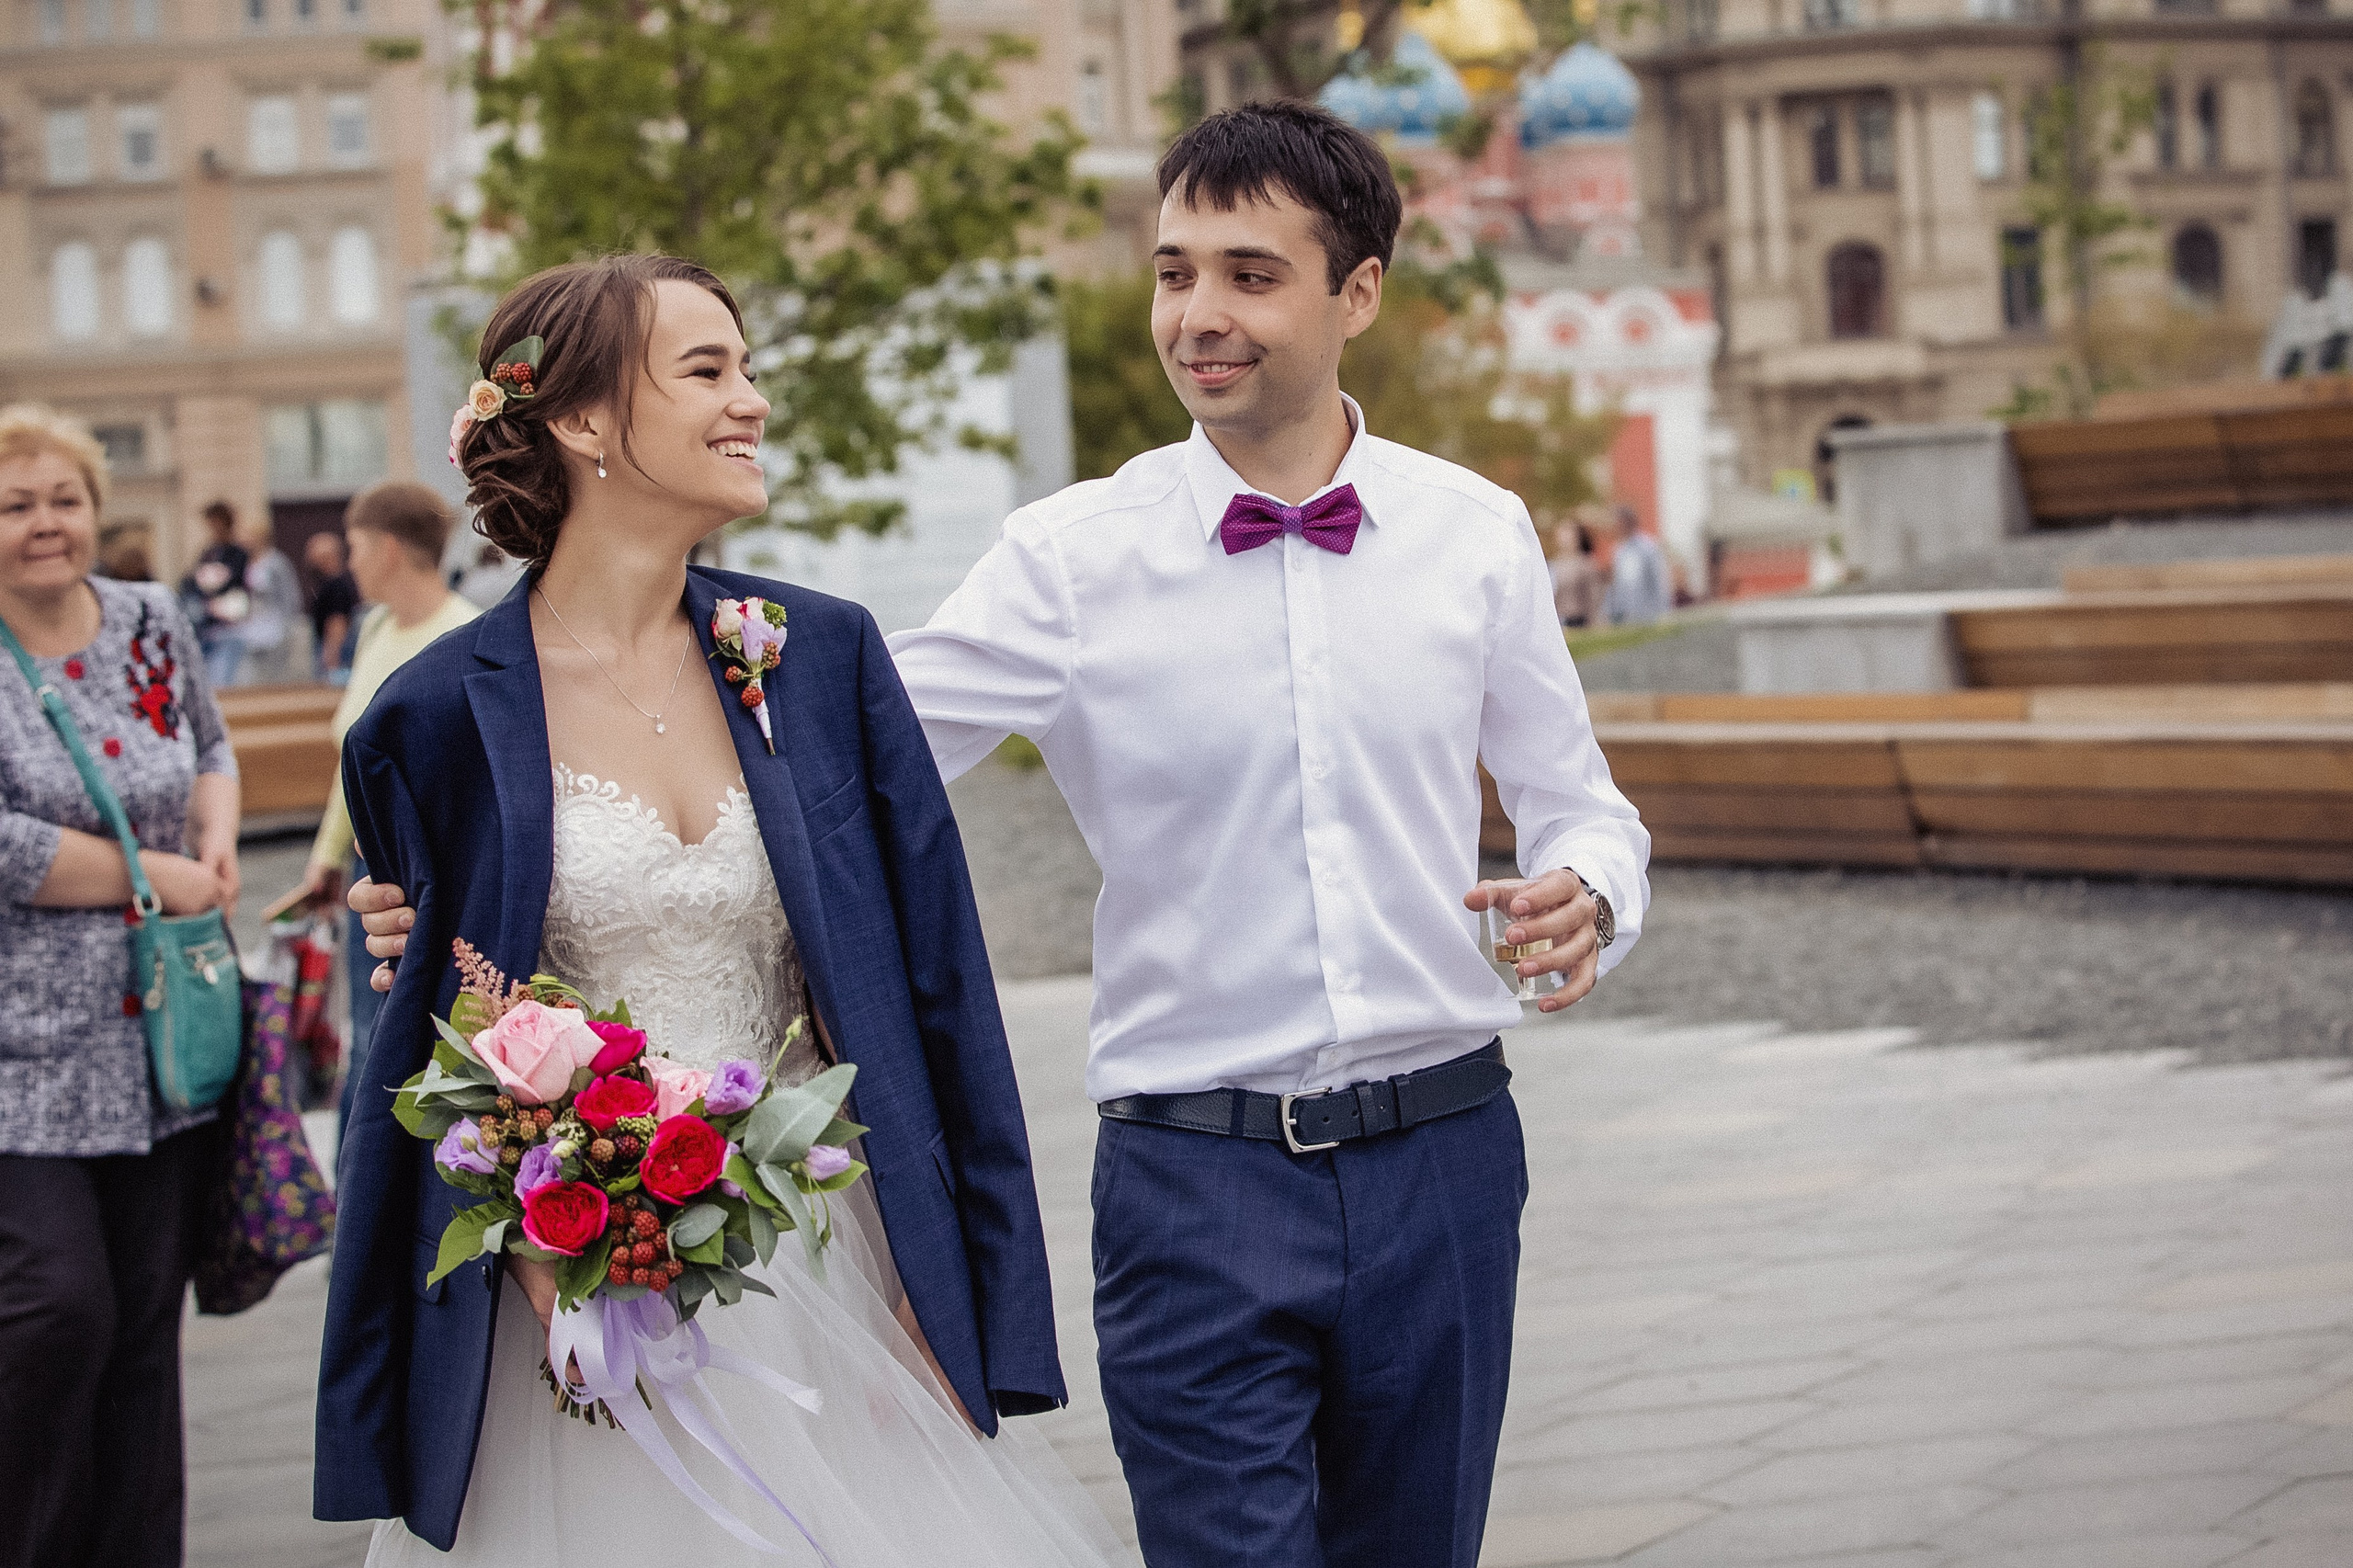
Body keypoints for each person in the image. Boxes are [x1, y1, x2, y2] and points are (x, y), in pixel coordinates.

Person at [354, 106, 1650, 1568]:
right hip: (1195, 1180)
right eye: (1173, 273)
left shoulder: (1476, 530)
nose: (1197, 316)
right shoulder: (1070, 556)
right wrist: (451, 876)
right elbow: (808, 744)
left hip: (1448, 1153)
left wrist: (1588, 890)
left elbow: (1579, 798)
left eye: (1248, 274)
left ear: (1356, 292)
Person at [316, 256, 1131, 1566]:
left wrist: (954, 1277)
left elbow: (937, 985)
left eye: (745, 367)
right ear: (582, 420)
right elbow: (435, 1039)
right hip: (584, 1285)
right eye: (708, 371)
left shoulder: (821, 656)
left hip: (833, 1257)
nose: (750, 399)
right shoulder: (430, 716)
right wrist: (530, 1233)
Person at [0, 403, 241, 1568]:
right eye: (16, 505)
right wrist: (159, 877)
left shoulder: (150, 619)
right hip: (20, 1054)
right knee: (58, 1310)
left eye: (64, 500)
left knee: (146, 1332)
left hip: (161, 1043)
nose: (46, 524)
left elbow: (206, 744)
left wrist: (221, 834)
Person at [266, 483, 478, 1132]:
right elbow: (350, 767)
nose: (348, 562)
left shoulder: (462, 634)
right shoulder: (378, 628)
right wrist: (325, 859)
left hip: (423, 882)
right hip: (367, 875)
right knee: (365, 1035)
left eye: (354, 545)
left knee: (409, 1042)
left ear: (388, 547)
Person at [178, 499, 250, 687]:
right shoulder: (208, 552)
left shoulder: (238, 553)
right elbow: (192, 582)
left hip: (228, 625)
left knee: (224, 678)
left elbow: (235, 582)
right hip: (206, 624)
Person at [238, 533, 311, 685]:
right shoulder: (249, 562)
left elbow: (289, 594)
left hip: (276, 623)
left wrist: (288, 623)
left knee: (277, 673)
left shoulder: (276, 562)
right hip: (254, 622)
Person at [302, 529, 361, 682]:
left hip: (335, 652)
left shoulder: (336, 586)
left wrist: (331, 658)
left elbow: (337, 622)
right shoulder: (329, 584)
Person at [1602, 503, 1672, 625]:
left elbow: (1659, 581)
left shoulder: (1648, 547)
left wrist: (1663, 612)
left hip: (1648, 615)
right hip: (1625, 617)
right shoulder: (1618, 551)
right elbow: (1616, 584)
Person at [1551, 518, 1604, 629]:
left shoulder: (1585, 564)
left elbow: (1594, 597)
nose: (1564, 538)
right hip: (1558, 622)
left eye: (1568, 533)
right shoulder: (1553, 565)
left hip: (1578, 622)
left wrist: (1594, 622)